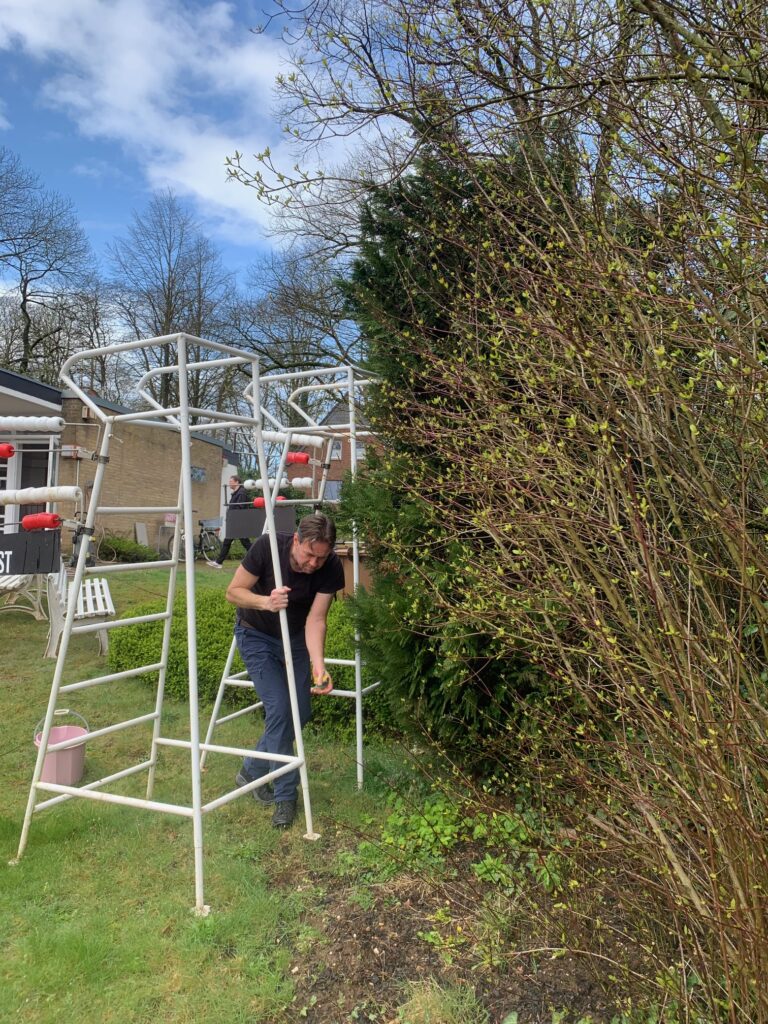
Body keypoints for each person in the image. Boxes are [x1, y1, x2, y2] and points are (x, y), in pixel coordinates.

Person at [226, 513, 345, 828]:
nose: (314, 563)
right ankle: (285, 796)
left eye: (321, 557)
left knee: (300, 711)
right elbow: (233, 591)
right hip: (256, 635)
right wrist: (266, 602)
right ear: (296, 540)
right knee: (280, 708)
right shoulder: (267, 548)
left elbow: (316, 620)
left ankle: (251, 769)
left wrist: (319, 667)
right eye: (309, 555)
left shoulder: (331, 566)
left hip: (294, 639)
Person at [212, 475, 251, 567]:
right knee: (235, 542)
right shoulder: (236, 493)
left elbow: (240, 507)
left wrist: (233, 518)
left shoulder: (241, 493)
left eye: (231, 481)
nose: (229, 483)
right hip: (235, 522)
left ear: (237, 482)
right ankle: (219, 562)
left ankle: (219, 562)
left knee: (244, 543)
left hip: (238, 522)